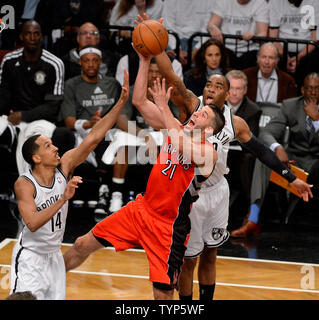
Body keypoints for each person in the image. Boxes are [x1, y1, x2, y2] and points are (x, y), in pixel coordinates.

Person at [138, 13, 312, 300]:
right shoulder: (193, 106)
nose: (211, 89)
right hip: (191, 193)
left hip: (218, 192)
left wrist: (291, 178)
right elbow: (171, 75)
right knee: (188, 260)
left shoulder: (236, 123)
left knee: (210, 256)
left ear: (228, 95)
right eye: (209, 85)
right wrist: (155, 42)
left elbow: (263, 153)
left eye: (218, 87)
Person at [63, 50, 225, 300]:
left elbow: (181, 144)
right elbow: (139, 100)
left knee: (161, 295)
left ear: (211, 129)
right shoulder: (177, 127)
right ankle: (47, 278)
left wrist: (164, 107)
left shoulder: (209, 152)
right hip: (141, 209)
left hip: (168, 227)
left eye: (203, 114)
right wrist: (144, 59)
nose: (197, 113)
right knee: (82, 244)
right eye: (198, 111)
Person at [9, 69, 129, 300]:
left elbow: (93, 137)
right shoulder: (25, 184)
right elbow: (32, 222)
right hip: (30, 258)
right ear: (36, 158)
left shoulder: (64, 167)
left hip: (54, 257)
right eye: (47, 146)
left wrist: (121, 103)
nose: (55, 148)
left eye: (53, 144)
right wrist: (63, 198)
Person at [231, 72, 319, 237]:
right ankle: (253, 218)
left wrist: (316, 120)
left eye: (317, 89)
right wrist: (277, 147)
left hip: (316, 161)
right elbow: (267, 132)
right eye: (309, 88)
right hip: (294, 158)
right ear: (302, 90)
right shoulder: (290, 105)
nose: (313, 93)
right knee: (263, 159)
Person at [0, 20, 74, 191]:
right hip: (11, 117)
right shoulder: (9, 61)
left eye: (36, 33)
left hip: (40, 120)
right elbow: (3, 95)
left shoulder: (54, 63)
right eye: (28, 33)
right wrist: (10, 113)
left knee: (32, 143)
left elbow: (52, 107)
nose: (32, 37)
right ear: (21, 36)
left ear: (41, 36)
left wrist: (23, 116)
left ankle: (31, 192)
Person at [59, 45, 123, 215]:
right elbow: (69, 121)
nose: (91, 65)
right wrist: (90, 123)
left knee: (112, 138)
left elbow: (121, 114)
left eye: (95, 60)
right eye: (87, 61)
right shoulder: (72, 85)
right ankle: (61, 192)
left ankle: (106, 192)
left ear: (100, 62)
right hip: (82, 133)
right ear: (80, 62)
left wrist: (104, 124)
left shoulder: (112, 84)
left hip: (110, 133)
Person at [225, 70, 261, 214]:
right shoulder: (215, 106)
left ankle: (249, 210)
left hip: (239, 155)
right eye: (231, 88)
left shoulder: (253, 110)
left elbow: (249, 140)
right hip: (217, 151)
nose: (234, 93)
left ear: (245, 90)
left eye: (238, 89)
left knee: (249, 159)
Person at [207, 0, 269, 70]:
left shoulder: (260, 3)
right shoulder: (223, 1)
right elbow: (211, 24)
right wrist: (213, 28)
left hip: (250, 49)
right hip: (226, 48)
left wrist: (253, 36)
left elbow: (263, 33)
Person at [268, 0, 318, 75]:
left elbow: (315, 38)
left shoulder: (314, 2)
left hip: (307, 51)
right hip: (281, 50)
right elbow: (273, 36)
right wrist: (285, 57)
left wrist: (299, 57)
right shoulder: (275, 2)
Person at [162, 0, 215, 66]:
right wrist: (177, 50)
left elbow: (207, 30)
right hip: (176, 40)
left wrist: (195, 51)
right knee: (168, 62)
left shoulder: (210, 1)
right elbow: (168, 27)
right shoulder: (170, 1)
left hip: (199, 42)